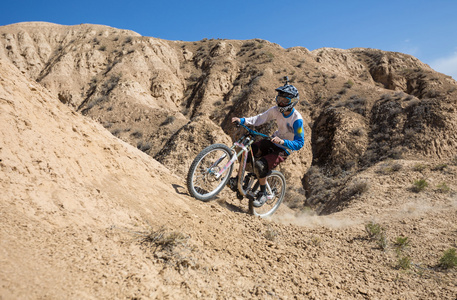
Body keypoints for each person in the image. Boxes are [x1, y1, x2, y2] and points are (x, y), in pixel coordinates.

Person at [231, 82, 305, 207]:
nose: (280, 103)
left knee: (261, 166)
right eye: (279, 99)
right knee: (248, 152)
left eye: (284, 100)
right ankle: (240, 181)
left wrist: (283, 142)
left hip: (284, 148)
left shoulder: (297, 120)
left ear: (292, 102)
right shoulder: (275, 110)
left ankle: (263, 193)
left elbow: (300, 143)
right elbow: (260, 118)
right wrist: (242, 120)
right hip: (273, 141)